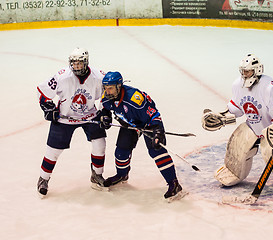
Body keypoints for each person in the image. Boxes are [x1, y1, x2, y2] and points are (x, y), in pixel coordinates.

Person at [202, 54, 273, 203]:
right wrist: (222, 115)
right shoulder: (238, 85)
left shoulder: (269, 86)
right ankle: (234, 171)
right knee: (238, 140)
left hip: (272, 130)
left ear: (257, 70)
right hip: (254, 125)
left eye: (247, 72)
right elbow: (238, 108)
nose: (244, 75)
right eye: (242, 71)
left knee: (271, 152)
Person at [98, 71, 185, 201]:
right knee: (121, 152)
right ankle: (122, 175)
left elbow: (154, 114)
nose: (107, 91)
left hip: (147, 123)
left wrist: (157, 131)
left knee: (157, 152)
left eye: (110, 88)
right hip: (129, 124)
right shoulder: (106, 96)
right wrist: (105, 116)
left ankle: (174, 184)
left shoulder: (135, 99)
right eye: (105, 88)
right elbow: (105, 108)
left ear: (119, 86)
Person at [36, 47, 108, 198]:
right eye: (74, 63)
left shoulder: (99, 76)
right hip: (64, 117)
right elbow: (42, 92)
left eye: (79, 63)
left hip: (90, 116)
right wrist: (48, 108)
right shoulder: (62, 77)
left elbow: (108, 94)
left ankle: (97, 175)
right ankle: (43, 179)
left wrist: (104, 112)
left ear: (86, 63)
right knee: (53, 151)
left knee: (100, 144)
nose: (76, 66)